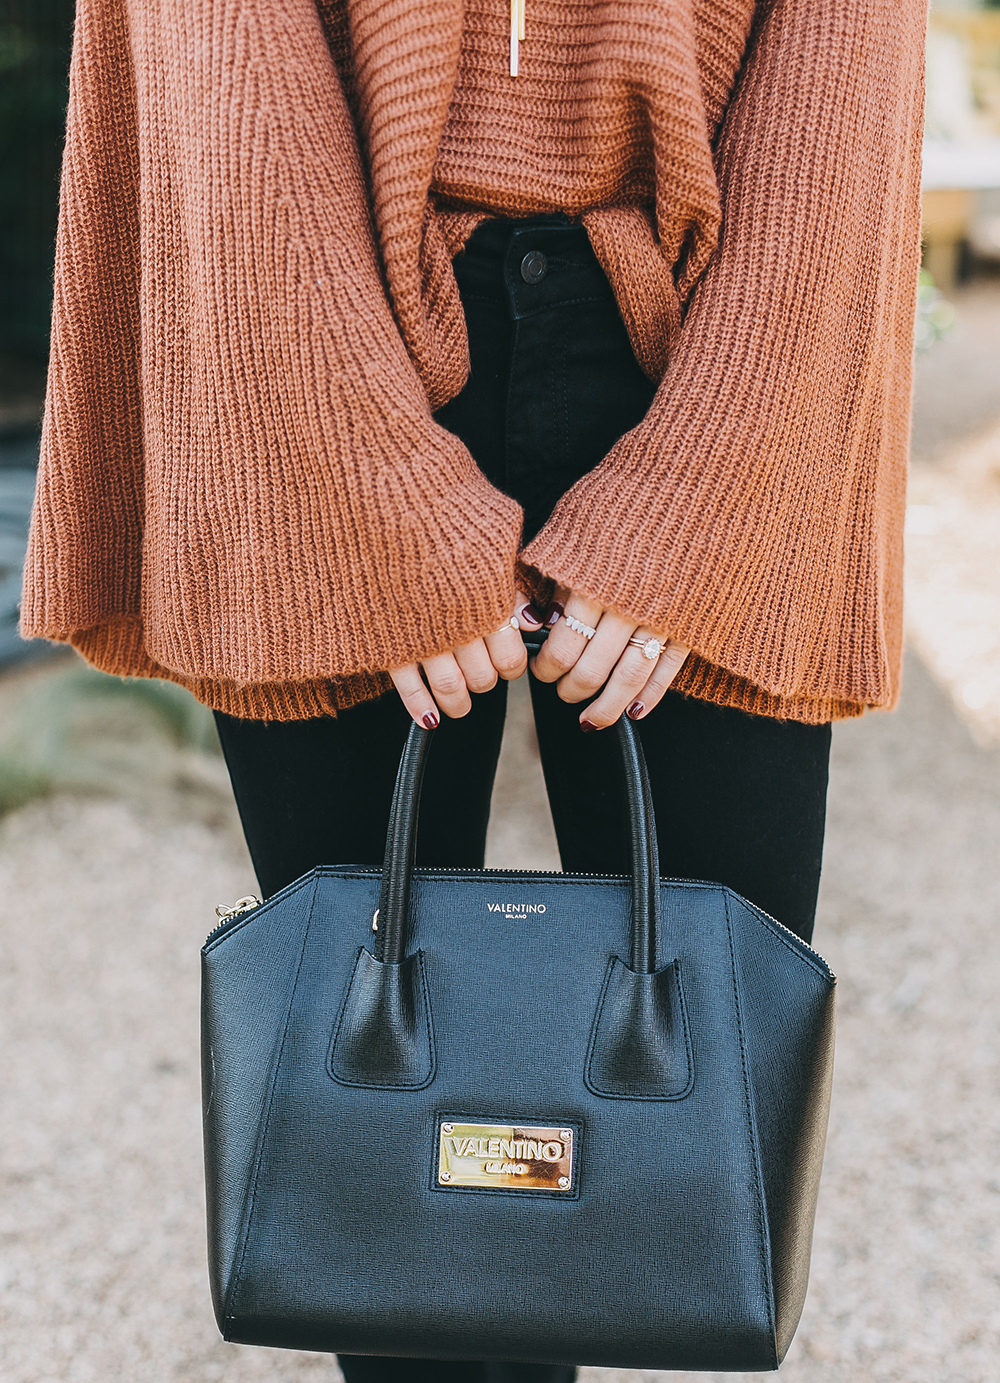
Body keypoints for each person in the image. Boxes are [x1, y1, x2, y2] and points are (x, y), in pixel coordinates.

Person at [23, 0, 925, 1378]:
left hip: (713, 344)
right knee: (372, 1170)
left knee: (701, 1095)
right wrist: (360, 482)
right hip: (308, 344)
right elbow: (216, 64)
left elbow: (842, 76)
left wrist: (703, 497)